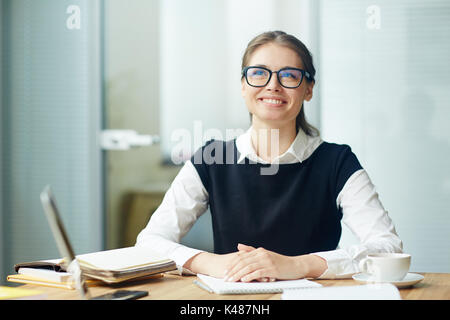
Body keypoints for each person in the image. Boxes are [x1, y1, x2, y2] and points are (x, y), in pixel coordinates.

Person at [136, 30, 402, 282]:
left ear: (308, 89)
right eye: (259, 73)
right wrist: (212, 263)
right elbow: (149, 242)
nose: (272, 85)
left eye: (288, 75)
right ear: (243, 86)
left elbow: (387, 247)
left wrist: (296, 265)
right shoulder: (211, 158)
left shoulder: (337, 162)